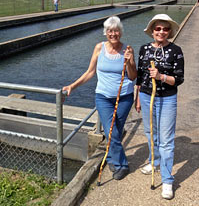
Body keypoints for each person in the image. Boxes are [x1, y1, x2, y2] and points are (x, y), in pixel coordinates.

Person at [63, 16, 137, 180]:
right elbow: (90, 72)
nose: (113, 34)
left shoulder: (127, 49)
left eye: (116, 30)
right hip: (103, 97)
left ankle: (111, 158)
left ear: (120, 32)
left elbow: (132, 76)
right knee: (112, 131)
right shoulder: (99, 48)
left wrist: (131, 61)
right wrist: (72, 86)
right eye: (110, 31)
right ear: (106, 32)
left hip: (124, 96)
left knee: (115, 130)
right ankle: (122, 165)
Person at [135, 14, 184, 200]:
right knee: (150, 133)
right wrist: (137, 98)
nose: (161, 32)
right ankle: (153, 161)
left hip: (167, 98)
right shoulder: (144, 49)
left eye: (165, 29)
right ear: (152, 31)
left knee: (166, 140)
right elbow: (139, 77)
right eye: (158, 29)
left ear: (169, 31)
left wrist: (161, 77)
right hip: (146, 96)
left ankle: (167, 180)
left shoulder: (176, 51)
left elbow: (178, 79)